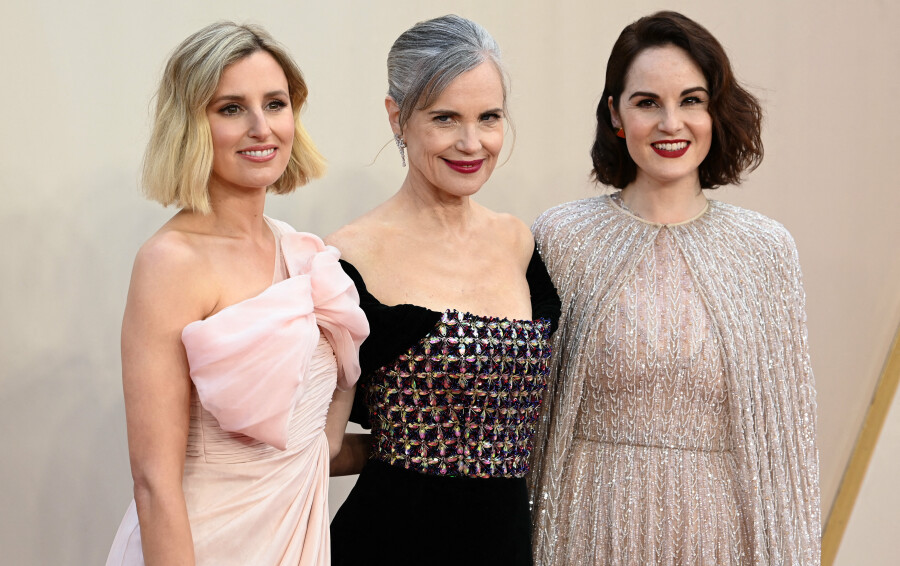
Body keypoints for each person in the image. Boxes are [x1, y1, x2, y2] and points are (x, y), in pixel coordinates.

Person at [529, 11, 820, 566]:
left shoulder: (764, 251)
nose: (671, 123)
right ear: (615, 114)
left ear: (715, 112)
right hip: (584, 527)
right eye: (647, 102)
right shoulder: (562, 237)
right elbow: (534, 419)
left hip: (716, 534)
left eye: (691, 101)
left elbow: (788, 444)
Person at [106, 22, 368, 565]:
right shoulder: (170, 262)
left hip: (297, 539)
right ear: (190, 125)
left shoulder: (300, 250)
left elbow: (316, 439)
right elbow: (154, 483)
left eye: (275, 104)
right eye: (231, 108)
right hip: (206, 545)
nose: (261, 128)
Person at [327, 14, 561, 566]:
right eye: (445, 118)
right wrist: (406, 445)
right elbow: (319, 446)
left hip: (504, 543)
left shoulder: (518, 242)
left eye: (489, 117)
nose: (471, 143)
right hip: (388, 544)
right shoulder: (346, 256)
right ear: (397, 118)